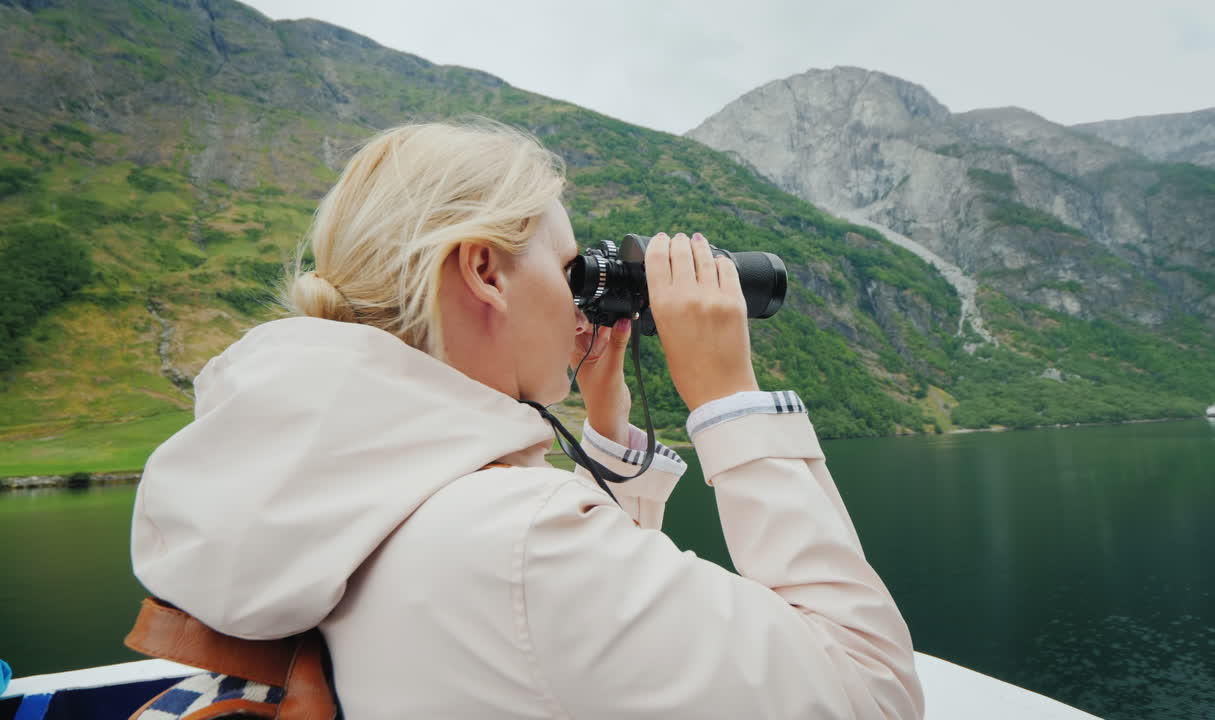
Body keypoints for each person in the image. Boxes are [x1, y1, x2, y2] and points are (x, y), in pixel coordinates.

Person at [131, 119, 924, 719]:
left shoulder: (321, 494)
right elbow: (870, 690)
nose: (581, 297)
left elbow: (568, 643)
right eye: (569, 266)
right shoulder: (517, 543)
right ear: (485, 272)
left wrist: (606, 427)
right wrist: (731, 401)